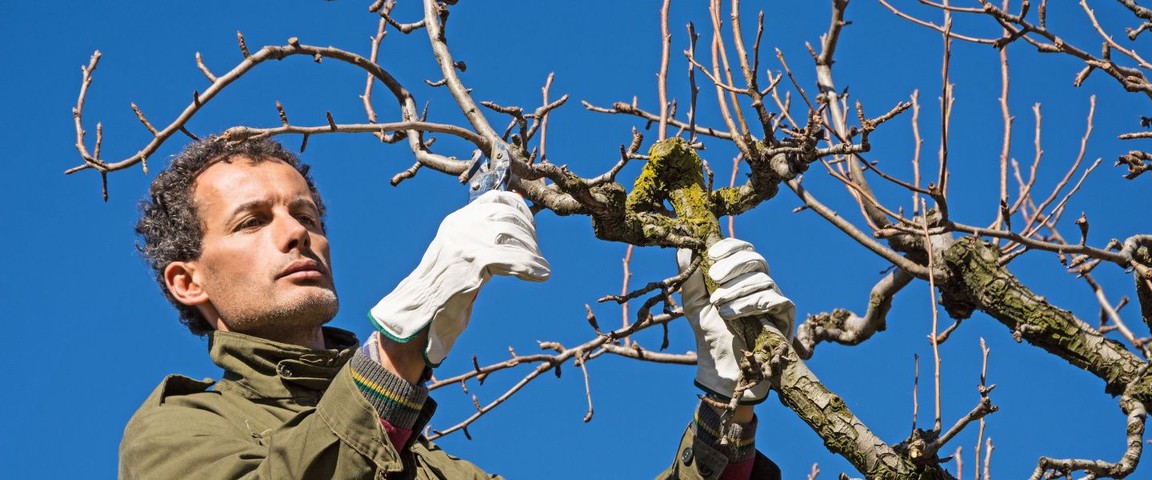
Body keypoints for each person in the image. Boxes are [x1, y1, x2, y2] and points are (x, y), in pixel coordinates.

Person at [118, 136, 796, 479]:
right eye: (251, 222)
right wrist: (397, 348)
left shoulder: (432, 465)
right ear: (188, 282)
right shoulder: (177, 435)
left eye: (305, 213)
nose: (298, 233)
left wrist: (726, 403)